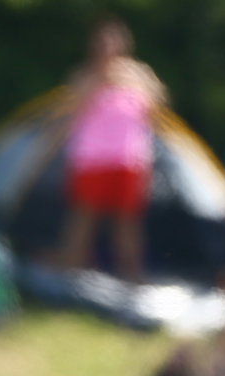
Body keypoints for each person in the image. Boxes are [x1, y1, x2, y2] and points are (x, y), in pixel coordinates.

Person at [59, 17, 167, 283]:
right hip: (91, 159)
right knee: (84, 218)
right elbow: (71, 109)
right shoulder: (85, 74)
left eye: (113, 40)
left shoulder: (139, 74)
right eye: (103, 41)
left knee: (128, 222)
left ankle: (131, 275)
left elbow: (159, 106)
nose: (108, 46)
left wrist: (133, 81)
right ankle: (70, 272)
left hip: (129, 159)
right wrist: (99, 80)